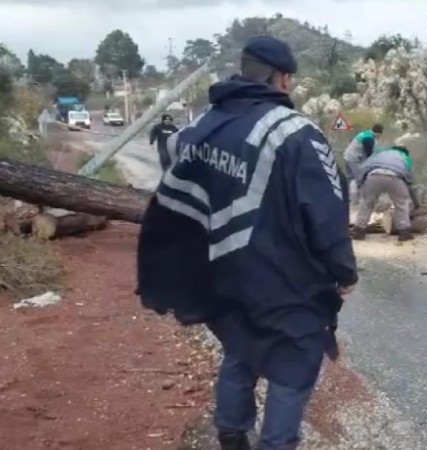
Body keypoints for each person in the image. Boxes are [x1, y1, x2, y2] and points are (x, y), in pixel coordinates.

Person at [135, 36, 358, 450]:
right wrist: (344, 271)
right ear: (284, 79)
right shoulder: (297, 133)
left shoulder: (205, 123)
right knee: (293, 367)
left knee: (241, 345)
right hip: (285, 281)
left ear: (244, 70)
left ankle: (232, 432)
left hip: (222, 272)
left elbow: (177, 184)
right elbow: (326, 211)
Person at [351, 145, 421, 241]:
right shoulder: (406, 158)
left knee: (366, 203)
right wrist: (416, 203)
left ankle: (359, 231)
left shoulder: (379, 153)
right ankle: (404, 232)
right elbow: (411, 183)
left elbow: (363, 168)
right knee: (401, 204)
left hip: (373, 175)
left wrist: (360, 186)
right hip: (395, 176)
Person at [343, 123, 384, 201]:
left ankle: (347, 197)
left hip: (347, 156)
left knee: (350, 178)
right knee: (360, 178)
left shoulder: (366, 134)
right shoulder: (368, 138)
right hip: (355, 159)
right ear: (380, 133)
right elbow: (369, 154)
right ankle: (360, 198)